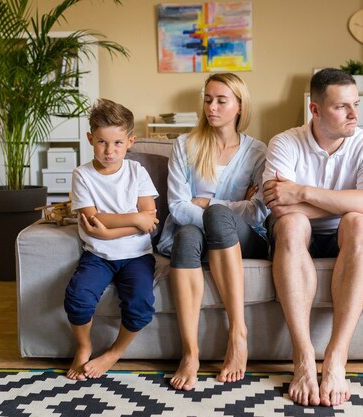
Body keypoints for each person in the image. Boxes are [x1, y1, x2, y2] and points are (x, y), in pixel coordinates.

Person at [262, 68, 363, 407]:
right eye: (341, 107)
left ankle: (336, 357)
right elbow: (279, 208)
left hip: (347, 237)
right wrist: (353, 199)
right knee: (292, 224)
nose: (353, 114)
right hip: (296, 233)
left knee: (360, 223)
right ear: (315, 109)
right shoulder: (284, 142)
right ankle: (303, 358)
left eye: (356, 105)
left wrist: (303, 192)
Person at [156, 73, 269, 391]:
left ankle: (238, 333)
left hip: (242, 238)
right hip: (190, 234)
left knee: (218, 214)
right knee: (188, 235)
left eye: (221, 100)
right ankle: (190, 353)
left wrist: (209, 202)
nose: (212, 107)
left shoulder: (257, 151)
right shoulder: (184, 145)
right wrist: (234, 203)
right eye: (208, 99)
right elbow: (178, 207)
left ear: (239, 106)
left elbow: (258, 210)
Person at [64, 98, 159, 380]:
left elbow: (150, 219)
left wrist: (107, 231)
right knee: (77, 297)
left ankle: (114, 352)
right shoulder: (82, 175)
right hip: (98, 256)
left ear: (130, 141)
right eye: (102, 142)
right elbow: (95, 218)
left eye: (117, 143)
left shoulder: (136, 172)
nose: (109, 151)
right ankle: (84, 346)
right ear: (90, 139)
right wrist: (132, 219)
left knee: (141, 304)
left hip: (137, 256)